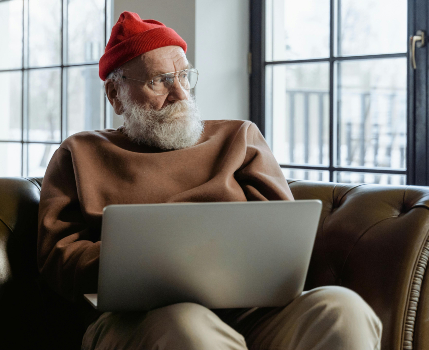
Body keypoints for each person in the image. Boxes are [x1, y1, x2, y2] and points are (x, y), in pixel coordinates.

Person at [37, 11, 382, 350]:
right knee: (188, 328)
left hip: (251, 313)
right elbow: (58, 260)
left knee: (342, 310)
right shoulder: (79, 154)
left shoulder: (239, 137)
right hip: (138, 320)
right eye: (159, 81)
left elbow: (285, 241)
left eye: (184, 76)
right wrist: (147, 259)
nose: (181, 94)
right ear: (115, 95)